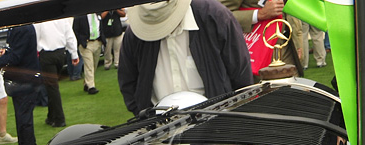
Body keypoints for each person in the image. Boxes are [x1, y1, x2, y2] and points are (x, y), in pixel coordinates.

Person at [118, 0, 253, 116]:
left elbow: (241, 78)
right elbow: (128, 82)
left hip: (215, 125)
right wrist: (145, 116)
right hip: (158, 131)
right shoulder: (134, 35)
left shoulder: (215, 17)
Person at [0, 24, 41, 145]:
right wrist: (6, 53)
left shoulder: (22, 28)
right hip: (21, 81)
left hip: (26, 81)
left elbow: (16, 56)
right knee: (22, 119)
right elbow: (15, 52)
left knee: (24, 121)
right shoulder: (17, 27)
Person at [220, 0, 302, 73]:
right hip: (257, 54)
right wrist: (259, 14)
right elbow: (219, 15)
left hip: (288, 48)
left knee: (293, 88)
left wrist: (298, 42)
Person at [35, 18, 80, 127]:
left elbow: (36, 36)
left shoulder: (40, 20)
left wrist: (36, 52)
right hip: (60, 54)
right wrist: (74, 53)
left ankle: (60, 119)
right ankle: (51, 116)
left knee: (52, 87)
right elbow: (69, 35)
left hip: (47, 55)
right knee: (51, 86)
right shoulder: (61, 18)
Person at [73, 13, 103, 94]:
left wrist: (102, 40)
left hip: (97, 42)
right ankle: (91, 87)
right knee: (89, 65)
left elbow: (101, 26)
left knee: (94, 65)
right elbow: (75, 29)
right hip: (86, 44)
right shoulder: (80, 16)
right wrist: (82, 42)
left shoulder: (98, 14)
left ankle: (87, 83)